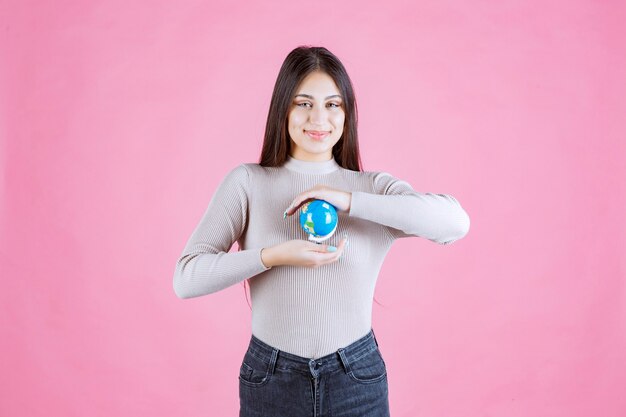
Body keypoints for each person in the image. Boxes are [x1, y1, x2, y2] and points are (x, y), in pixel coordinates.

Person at [173, 46, 470, 417]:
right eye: (303, 103)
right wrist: (273, 256)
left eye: (333, 105)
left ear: (347, 115)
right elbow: (186, 278)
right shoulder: (248, 183)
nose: (318, 117)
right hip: (271, 379)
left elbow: (455, 224)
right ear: (283, 108)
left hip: (356, 379)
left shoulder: (372, 189)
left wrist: (347, 199)